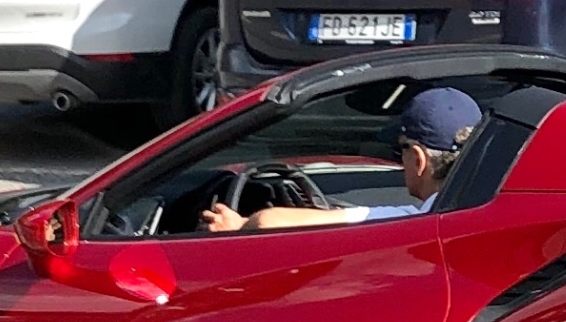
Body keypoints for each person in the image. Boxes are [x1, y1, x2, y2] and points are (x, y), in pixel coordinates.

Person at [202, 86, 481, 233]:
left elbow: (268, 223)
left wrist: (238, 226)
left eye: (402, 150)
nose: (400, 161)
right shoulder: (491, 216)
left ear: (419, 160)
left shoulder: (416, 223)